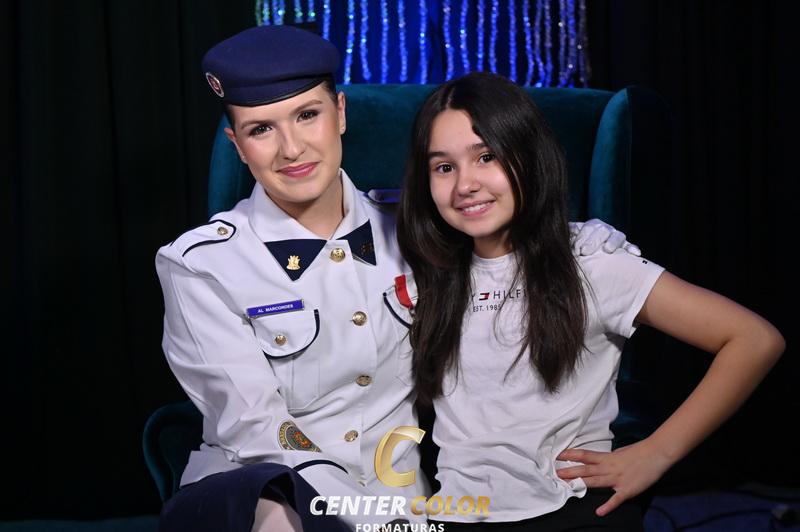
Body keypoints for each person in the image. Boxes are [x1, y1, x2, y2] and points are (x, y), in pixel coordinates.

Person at [156, 26, 636, 532]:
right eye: (261, 130)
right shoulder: (202, 265)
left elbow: (507, 241)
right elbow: (255, 426)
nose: (291, 149)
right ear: (237, 144)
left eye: (307, 115)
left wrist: (580, 242)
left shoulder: (415, 228)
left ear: (340, 113)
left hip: (402, 499)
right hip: (265, 490)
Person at [393, 72, 784, 532]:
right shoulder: (429, 276)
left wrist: (656, 453)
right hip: (458, 512)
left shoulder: (591, 261)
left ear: (528, 157)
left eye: (487, 156)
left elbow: (754, 339)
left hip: (573, 509)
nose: (465, 184)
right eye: (444, 167)